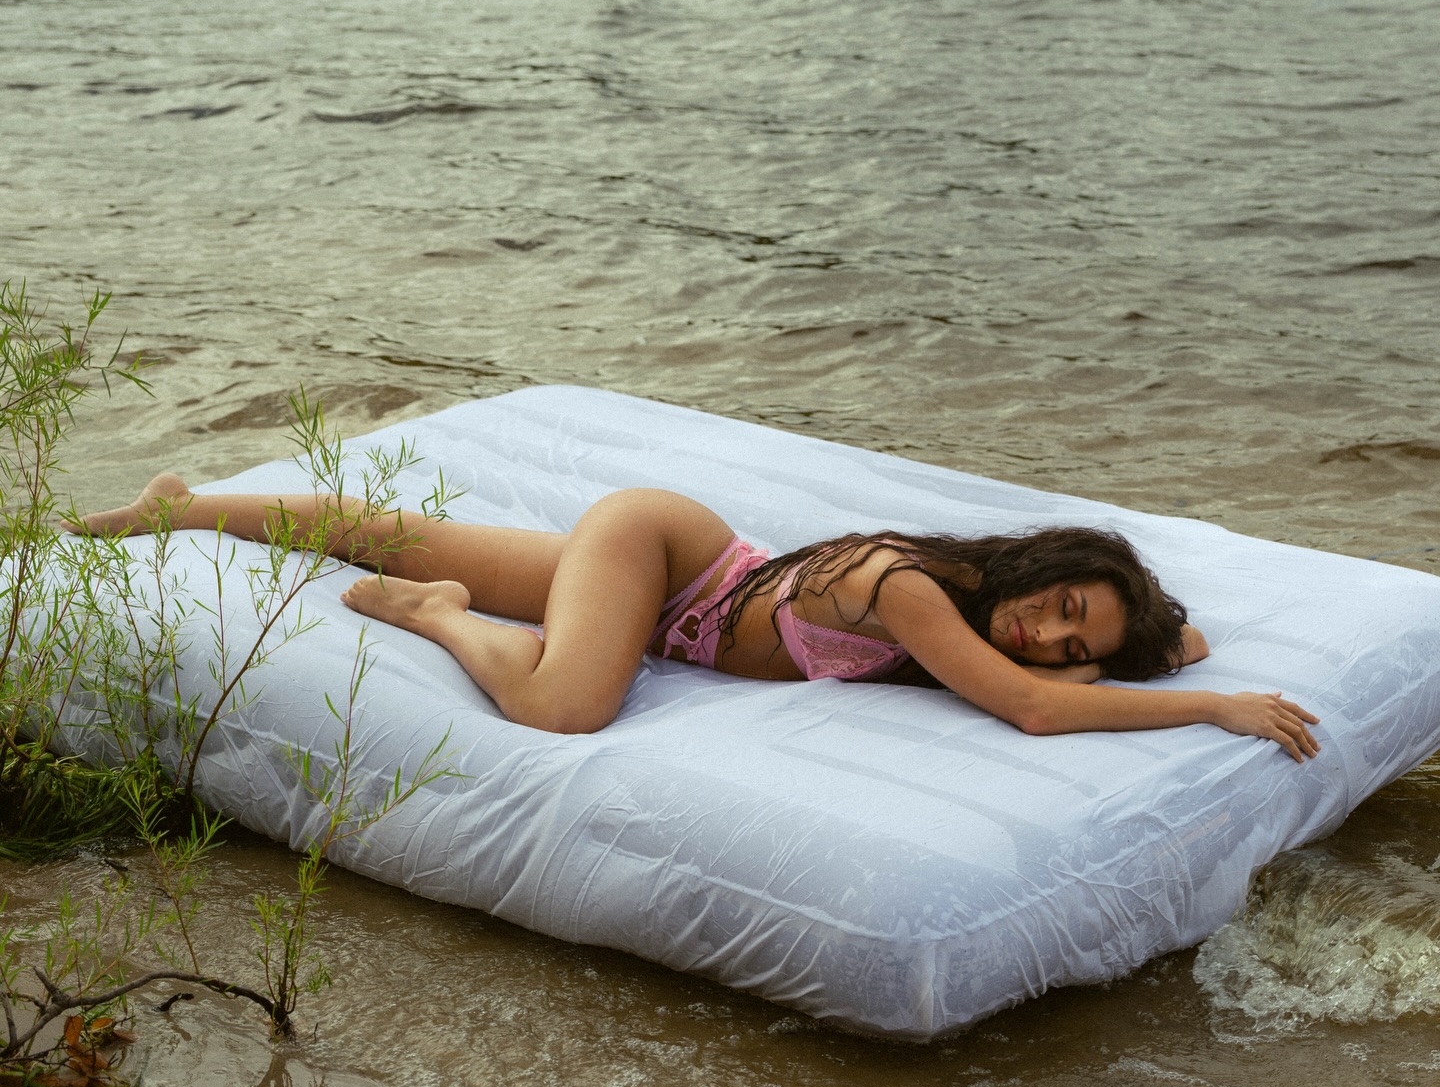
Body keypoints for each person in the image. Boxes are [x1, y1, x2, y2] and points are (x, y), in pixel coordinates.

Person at [75, 478, 1320, 760]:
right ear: (1033, 568)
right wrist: (1212, 707)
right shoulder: (917, 592)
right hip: (659, 556)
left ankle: (190, 504)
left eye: (1082, 641)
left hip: (674, 590)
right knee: (565, 703)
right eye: (1060, 607)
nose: (1053, 642)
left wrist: (1149, 637)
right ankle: (436, 617)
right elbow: (1036, 716)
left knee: (383, 522)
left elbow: (1164, 638)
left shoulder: (1002, 608)